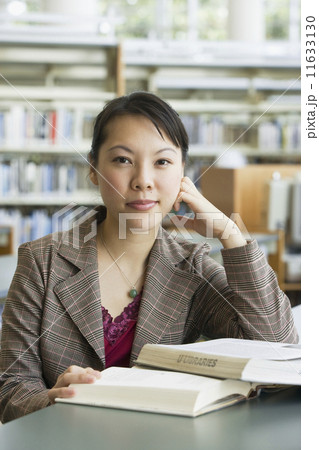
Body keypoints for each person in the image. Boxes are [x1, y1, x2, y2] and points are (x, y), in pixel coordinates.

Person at [0, 91, 298, 423]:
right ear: (94, 170)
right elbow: (11, 389)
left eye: (162, 162)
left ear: (182, 173)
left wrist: (231, 235)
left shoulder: (192, 267)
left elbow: (276, 348)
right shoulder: (42, 261)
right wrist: (54, 401)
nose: (143, 181)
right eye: (122, 160)